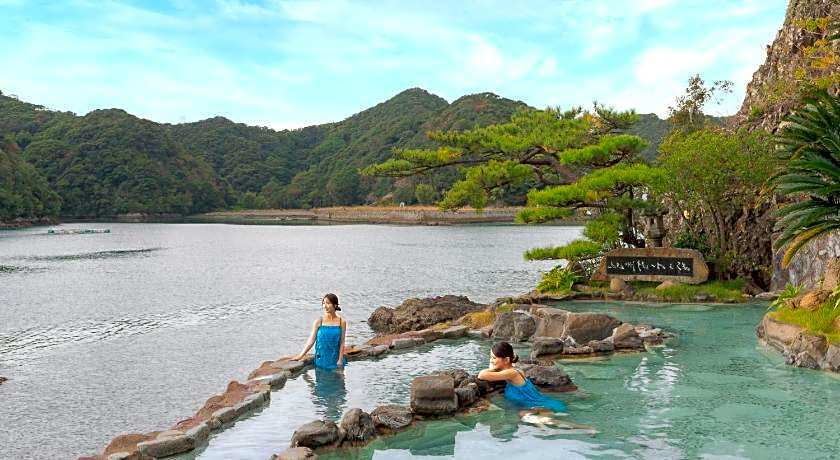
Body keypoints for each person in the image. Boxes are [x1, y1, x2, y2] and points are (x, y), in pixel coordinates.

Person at [477, 341, 566, 412]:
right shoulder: (514, 370)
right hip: (539, 404)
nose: (491, 360)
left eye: (494, 358)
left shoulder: (512, 373)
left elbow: (481, 375)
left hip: (543, 406)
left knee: (523, 415)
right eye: (490, 357)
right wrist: (494, 366)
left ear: (507, 360)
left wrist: (492, 368)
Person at [293, 293, 347, 369]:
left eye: (328, 303)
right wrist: (300, 355)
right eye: (323, 303)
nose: (325, 306)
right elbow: (311, 341)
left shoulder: (342, 322)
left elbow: (342, 342)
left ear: (335, 305)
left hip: (336, 360)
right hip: (322, 360)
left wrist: (340, 360)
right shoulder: (319, 321)